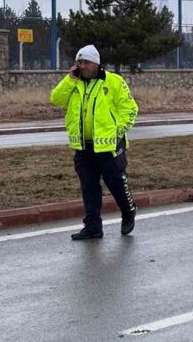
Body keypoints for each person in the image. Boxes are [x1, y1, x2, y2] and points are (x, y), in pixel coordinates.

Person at [49, 45, 139, 240]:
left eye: (86, 62)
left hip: (109, 146)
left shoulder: (114, 82)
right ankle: (93, 227)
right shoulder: (74, 84)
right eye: (79, 62)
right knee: (89, 187)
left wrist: (118, 131)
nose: (82, 66)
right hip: (83, 147)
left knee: (116, 184)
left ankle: (128, 212)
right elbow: (55, 99)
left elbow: (130, 109)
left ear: (96, 63)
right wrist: (70, 78)